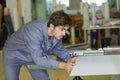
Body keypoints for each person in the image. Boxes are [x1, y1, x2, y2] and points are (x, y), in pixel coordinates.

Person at [3, 11, 78, 80]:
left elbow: (59, 49)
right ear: (52, 26)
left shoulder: (57, 33)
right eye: (62, 29)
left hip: (33, 56)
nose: (64, 33)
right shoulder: (34, 31)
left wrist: (69, 59)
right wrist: (63, 65)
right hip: (14, 53)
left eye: (66, 30)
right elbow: (39, 59)